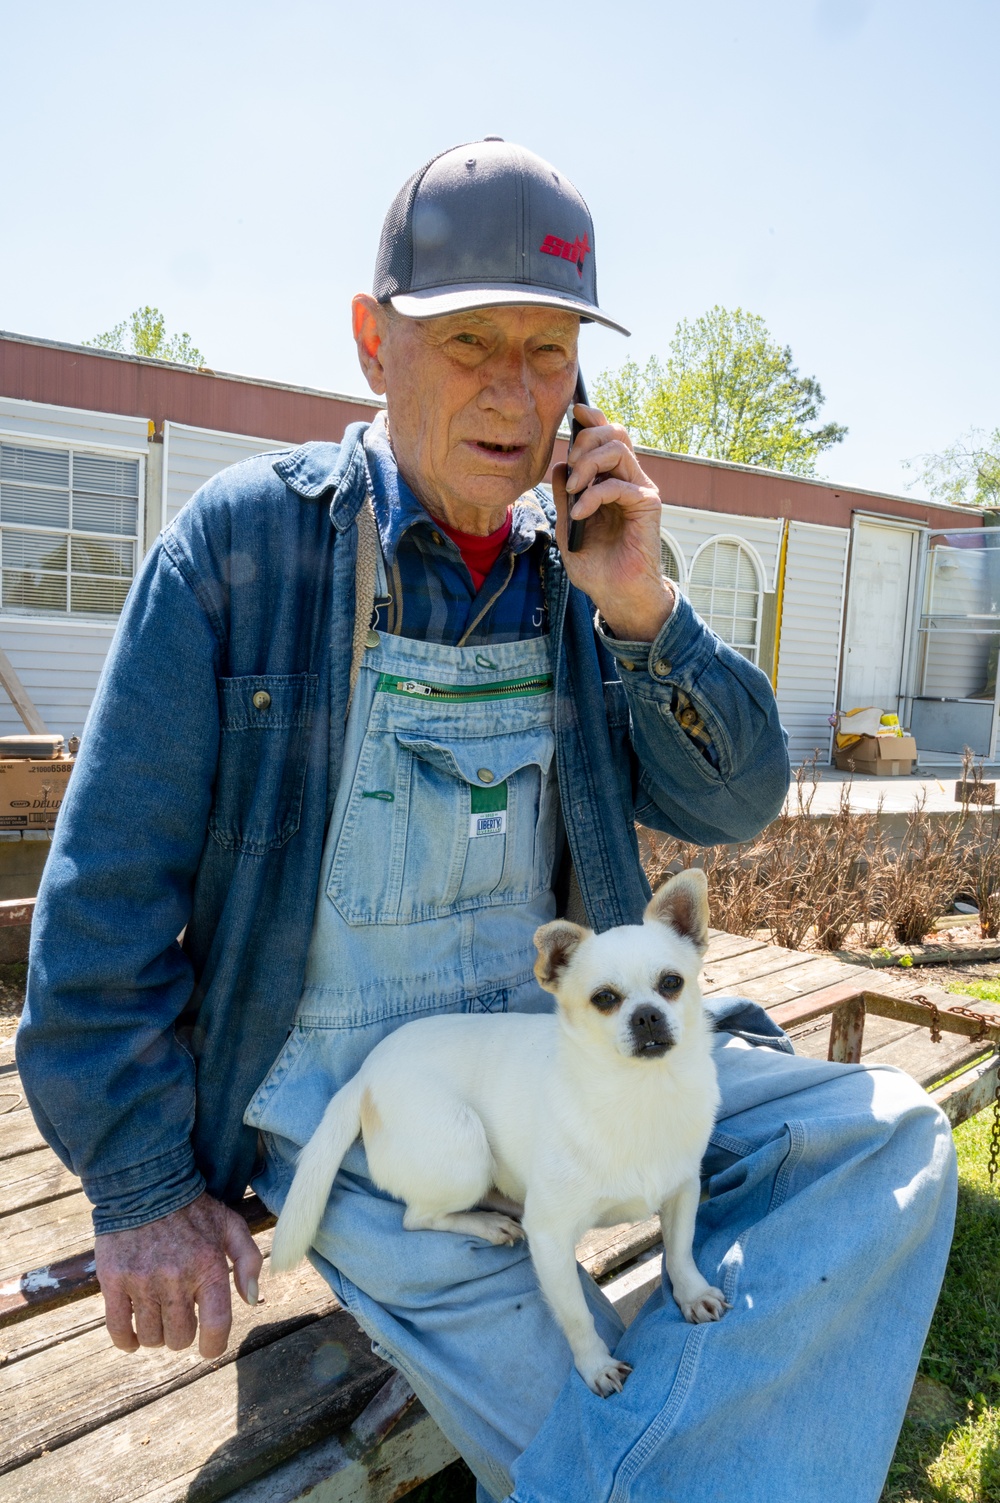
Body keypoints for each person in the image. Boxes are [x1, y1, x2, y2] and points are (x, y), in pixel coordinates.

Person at [17, 140, 956, 1503]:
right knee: (655, 1451)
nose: (516, 396)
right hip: (370, 1107)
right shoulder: (239, 552)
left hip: (572, 1060)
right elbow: (101, 898)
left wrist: (646, 610)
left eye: (550, 350)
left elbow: (735, 797)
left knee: (886, 1134)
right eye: (469, 345)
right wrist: (147, 1182)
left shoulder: (583, 576)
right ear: (370, 343)